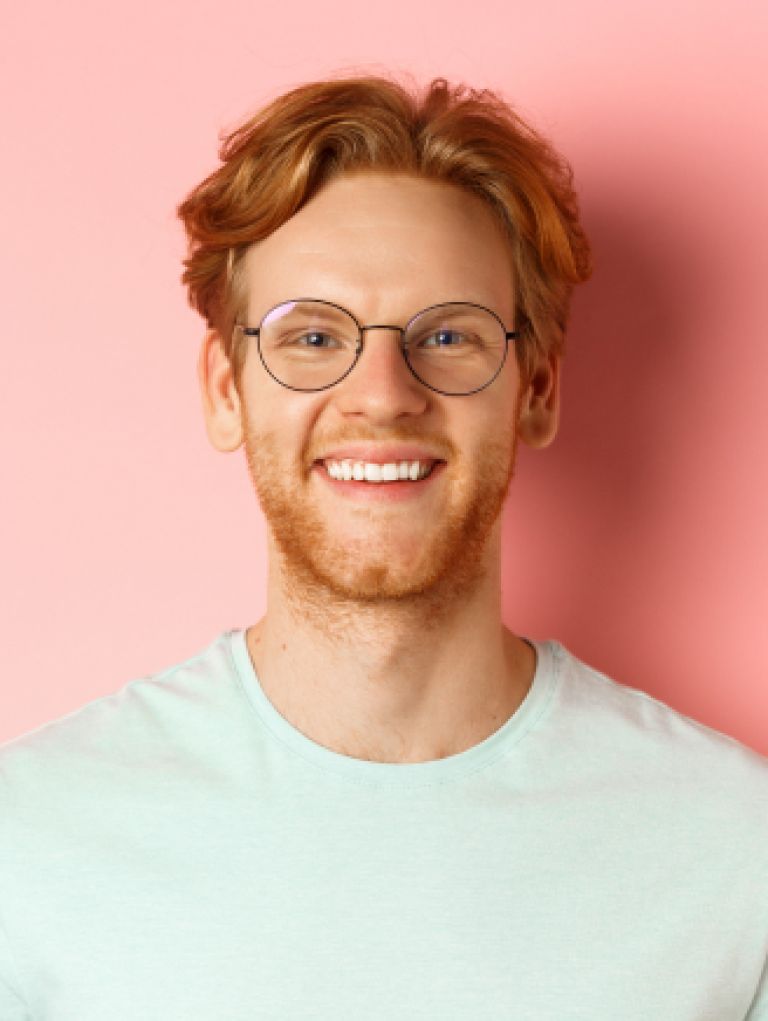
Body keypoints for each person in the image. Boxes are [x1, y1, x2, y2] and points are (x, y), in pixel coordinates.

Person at [0, 73, 765, 1020]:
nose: (383, 395)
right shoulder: (30, 837)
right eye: (313, 337)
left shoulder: (736, 849)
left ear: (536, 389)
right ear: (227, 390)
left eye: (446, 336)